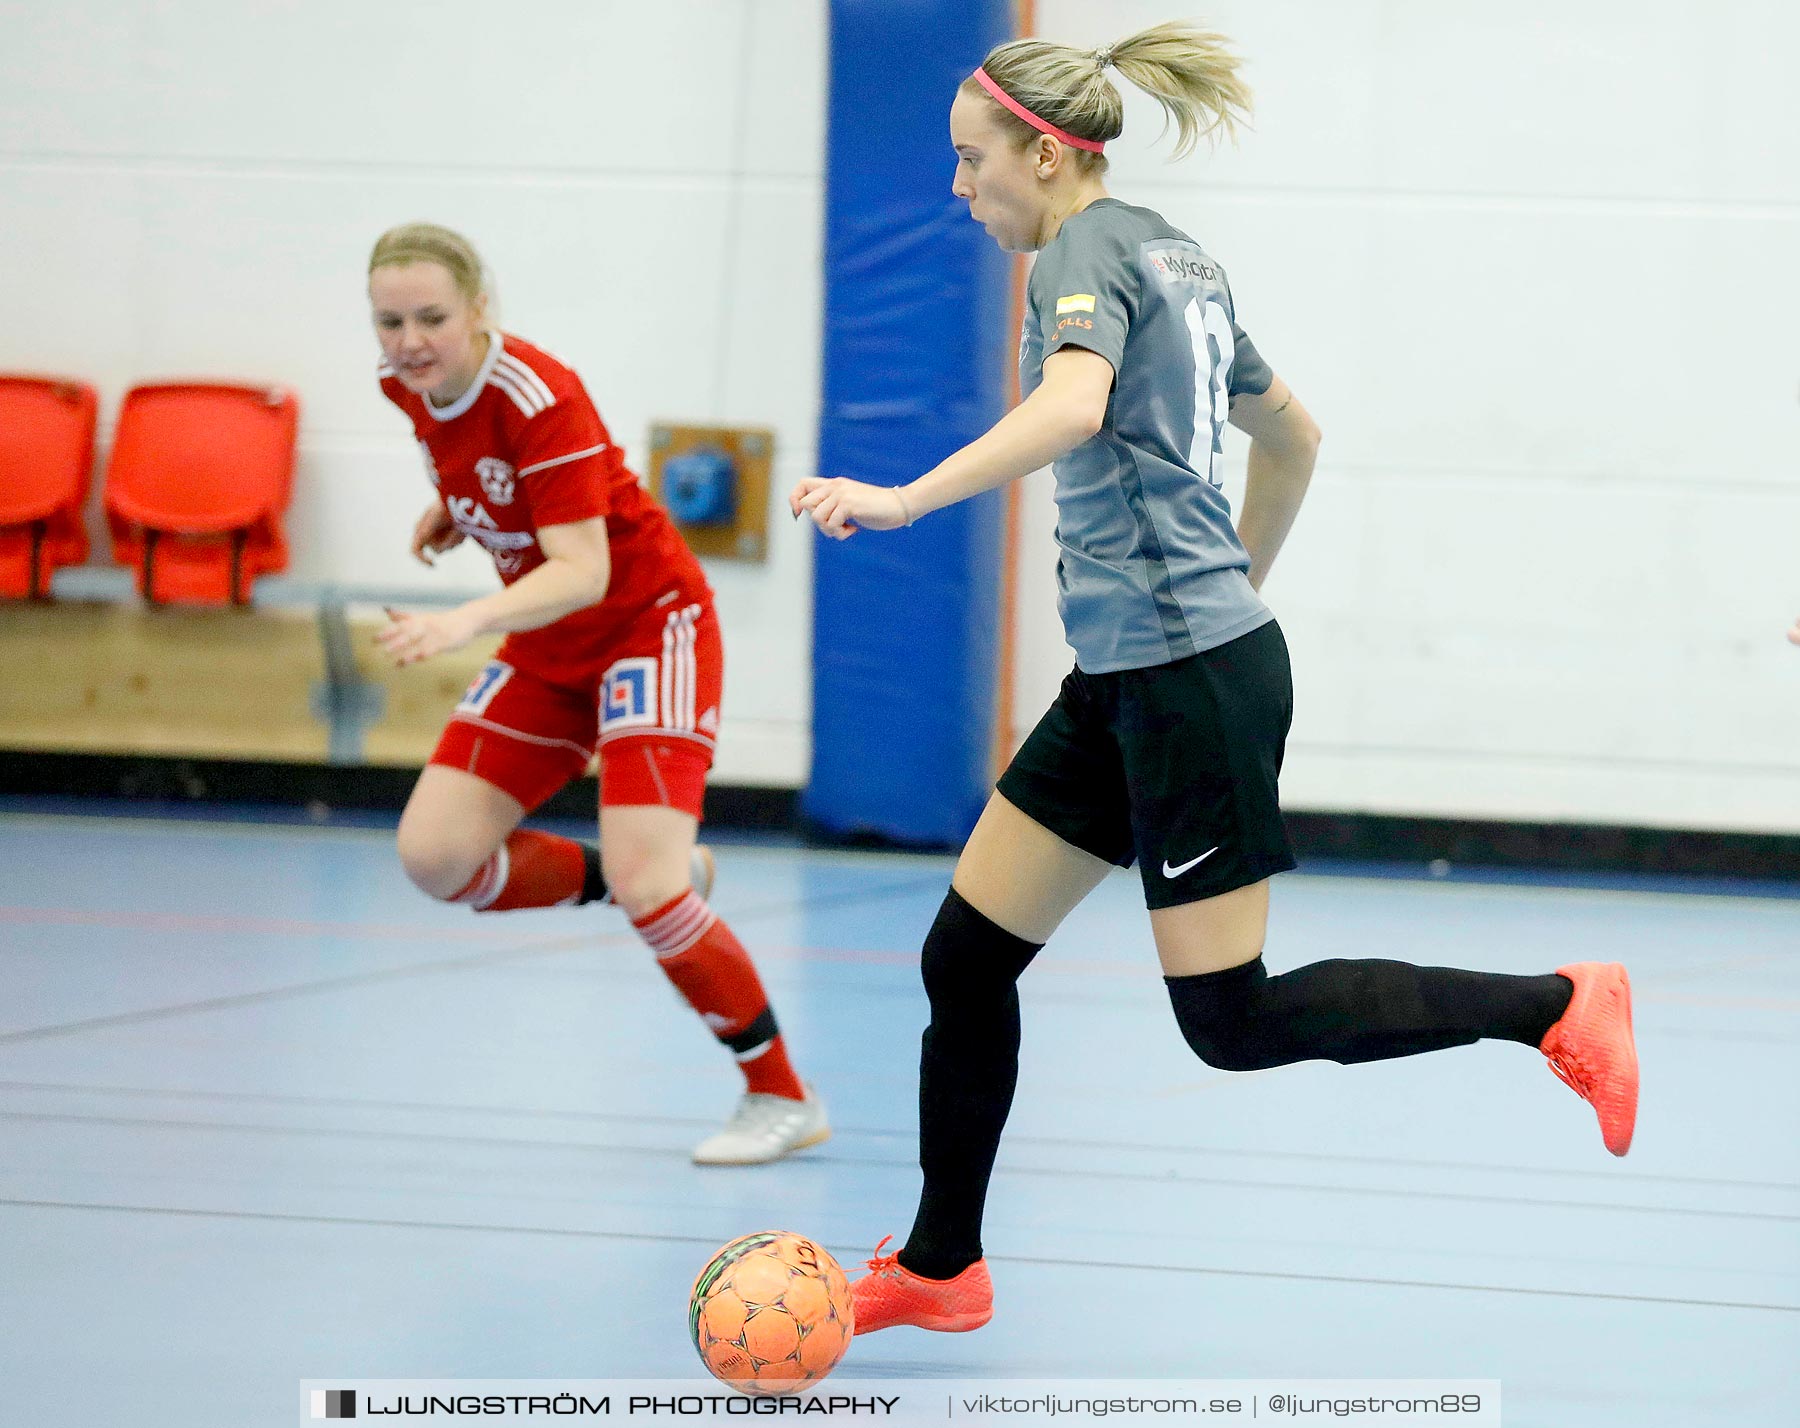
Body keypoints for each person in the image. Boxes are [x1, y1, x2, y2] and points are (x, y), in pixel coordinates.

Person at [790, 23, 1637, 1333]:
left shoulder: (1079, 253)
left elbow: (1076, 409)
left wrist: (903, 499)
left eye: (972, 162)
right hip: (1142, 672)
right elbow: (1293, 434)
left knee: (1229, 1023)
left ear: (1046, 150)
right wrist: (1236, 584)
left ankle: (1560, 1007)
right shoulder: (1174, 254)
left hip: (1184, 678)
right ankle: (944, 1266)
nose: (961, 190)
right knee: (966, 957)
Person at [369, 222, 826, 1165]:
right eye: (390, 321)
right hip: (551, 648)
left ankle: (781, 1097)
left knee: (652, 880)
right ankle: (635, 881)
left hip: (645, 626)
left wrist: (461, 621)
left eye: (432, 317)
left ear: (480, 308)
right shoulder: (412, 389)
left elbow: (581, 568)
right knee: (437, 858)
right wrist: (459, 511)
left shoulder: (541, 394)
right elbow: (496, 476)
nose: (411, 340)